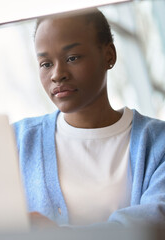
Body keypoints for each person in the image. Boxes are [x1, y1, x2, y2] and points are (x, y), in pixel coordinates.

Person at [13, 8, 165, 227]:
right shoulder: (16, 141)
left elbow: (153, 225)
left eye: (72, 57)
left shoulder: (158, 143)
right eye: (46, 64)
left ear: (109, 55)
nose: (57, 74)